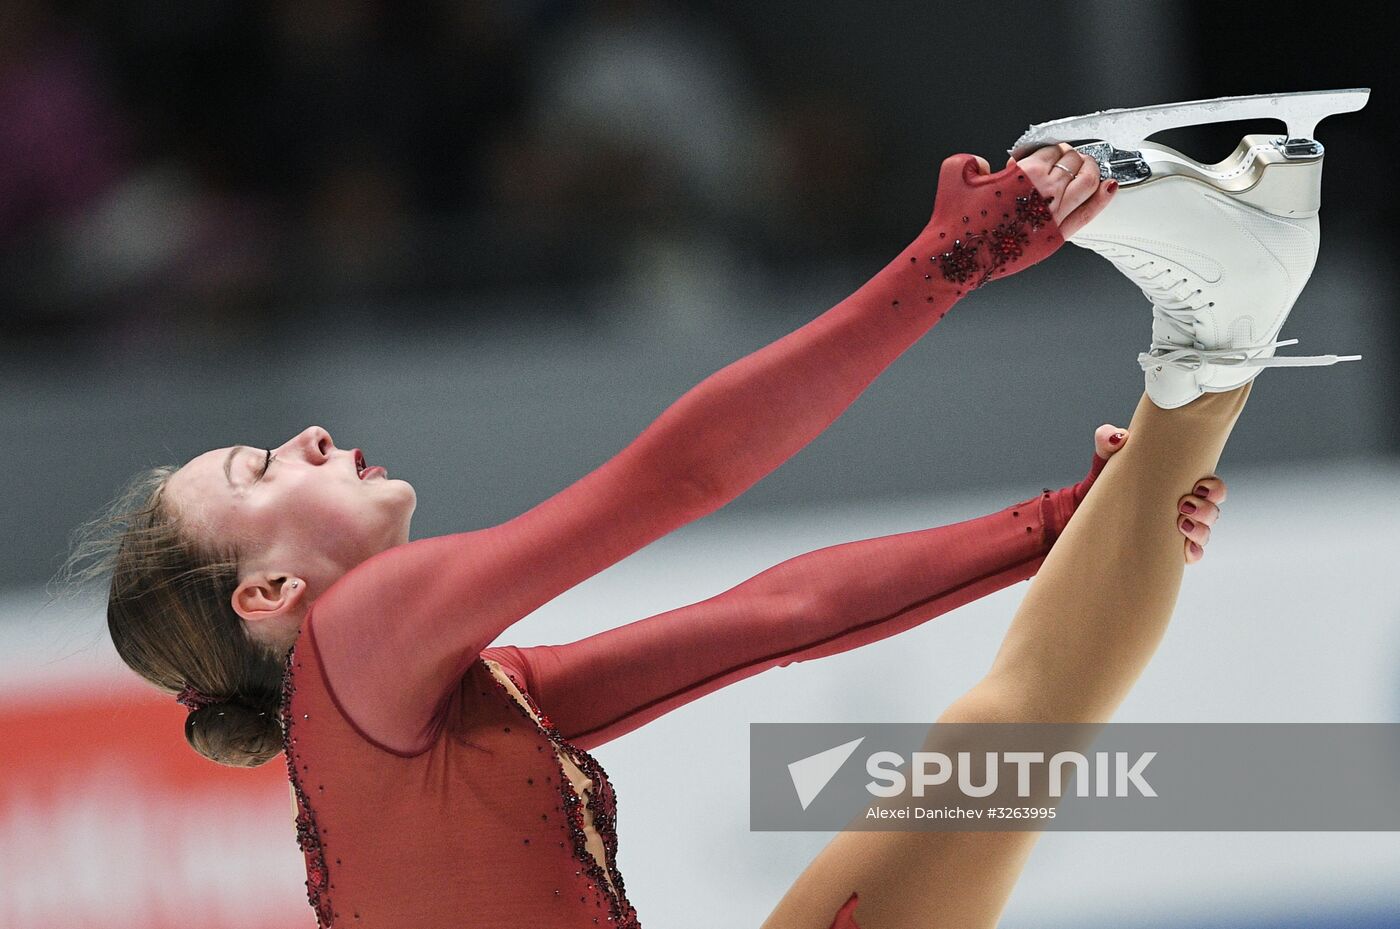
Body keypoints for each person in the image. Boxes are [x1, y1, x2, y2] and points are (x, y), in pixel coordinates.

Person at [72, 144, 1224, 928]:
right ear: (267, 587)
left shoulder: (428, 709)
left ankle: (1216, 326)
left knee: (998, 741)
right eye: (258, 469)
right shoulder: (359, 636)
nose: (305, 433)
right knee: (1006, 730)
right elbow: (683, 473)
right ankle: (1222, 314)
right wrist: (948, 263)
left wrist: (1060, 525)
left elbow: (779, 616)